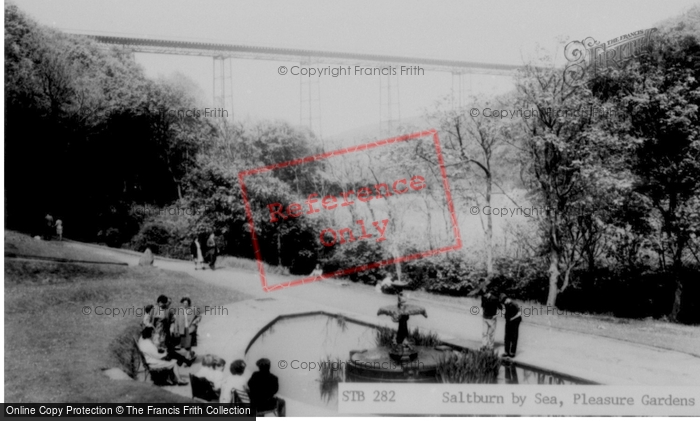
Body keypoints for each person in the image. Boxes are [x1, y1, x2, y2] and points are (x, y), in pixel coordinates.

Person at [500, 293, 522, 358]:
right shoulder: (506, 304)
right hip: (508, 320)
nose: (504, 302)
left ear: (507, 299)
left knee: (514, 336)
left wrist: (512, 318)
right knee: (507, 336)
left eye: (505, 301)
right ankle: (506, 352)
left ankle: (512, 352)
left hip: (515, 321)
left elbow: (519, 313)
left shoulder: (514, 304)